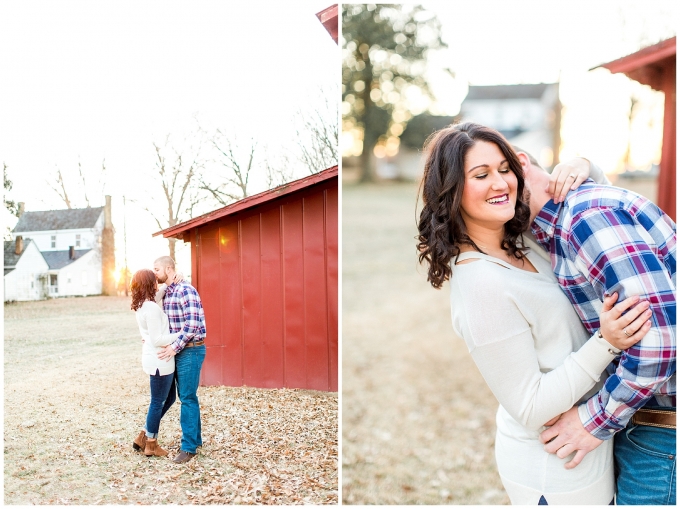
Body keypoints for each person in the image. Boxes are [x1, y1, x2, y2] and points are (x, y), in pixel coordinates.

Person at [417, 122, 652, 504]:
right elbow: (529, 406)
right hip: (554, 469)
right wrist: (606, 343)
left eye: (504, 169)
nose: (500, 183)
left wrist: (584, 165)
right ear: (452, 192)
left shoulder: (521, 240)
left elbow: (597, 219)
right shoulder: (481, 284)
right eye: (481, 175)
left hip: (592, 448)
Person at [518, 146, 676, 505]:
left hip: (667, 432)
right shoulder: (558, 226)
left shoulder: (585, 217)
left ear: (520, 163)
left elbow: (658, 342)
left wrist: (594, 420)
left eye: (493, 173)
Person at [153, 255, 207, 464]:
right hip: (177, 350)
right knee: (183, 397)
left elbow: (192, 325)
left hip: (190, 350)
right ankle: (195, 440)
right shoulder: (168, 291)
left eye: (157, 269)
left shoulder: (186, 290)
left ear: (169, 268)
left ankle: (189, 448)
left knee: (187, 397)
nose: (154, 272)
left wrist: (173, 348)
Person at [130, 269, 179, 458]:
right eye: (155, 280)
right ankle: (151, 443)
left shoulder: (143, 304)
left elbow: (158, 294)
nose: (157, 283)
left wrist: (171, 280)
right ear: (150, 283)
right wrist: (182, 333)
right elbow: (158, 339)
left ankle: (144, 434)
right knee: (158, 402)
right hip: (160, 359)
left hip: (156, 358)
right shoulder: (150, 308)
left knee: (169, 399)